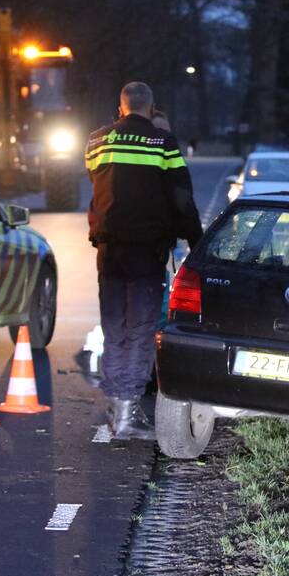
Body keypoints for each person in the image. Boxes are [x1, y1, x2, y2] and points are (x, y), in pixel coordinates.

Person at [86, 82, 202, 440]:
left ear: (120, 107)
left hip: (108, 249)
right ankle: (127, 413)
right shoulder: (162, 143)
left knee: (114, 326)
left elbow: (101, 183)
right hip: (145, 250)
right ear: (150, 108)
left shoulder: (96, 142)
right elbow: (182, 197)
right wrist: (196, 242)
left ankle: (116, 402)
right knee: (139, 328)